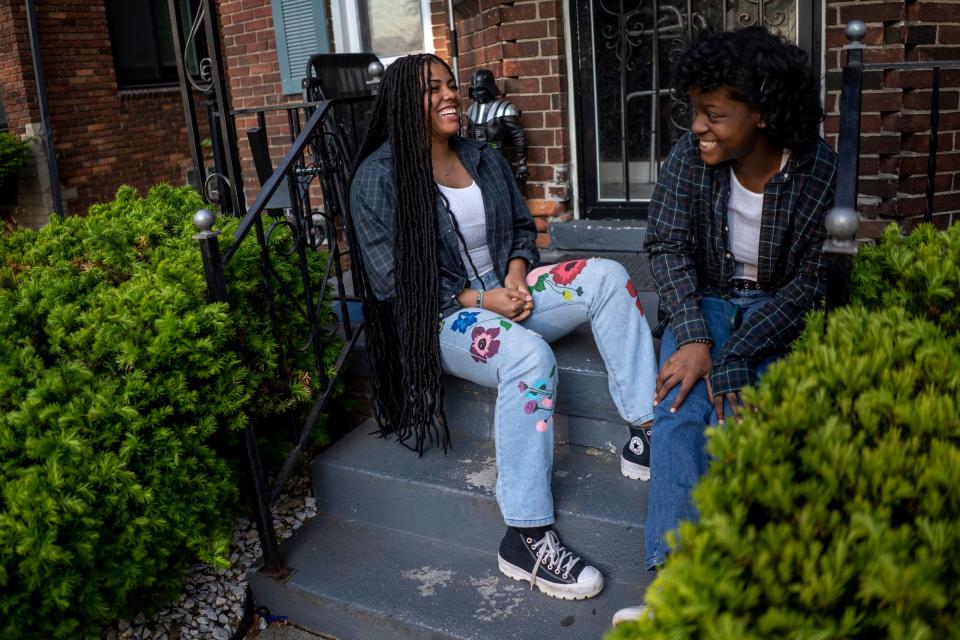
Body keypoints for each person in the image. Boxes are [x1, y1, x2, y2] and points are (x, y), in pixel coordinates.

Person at [348, 54, 657, 601]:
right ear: (401, 103)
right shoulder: (378, 177)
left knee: (608, 275)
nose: (449, 96)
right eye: (431, 90)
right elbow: (392, 282)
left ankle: (645, 430)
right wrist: (478, 298)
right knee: (529, 357)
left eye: (451, 85)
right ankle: (526, 533)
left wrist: (515, 278)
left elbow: (520, 227)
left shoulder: (481, 156)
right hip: (443, 315)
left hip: (504, 289)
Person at [613, 27, 836, 625]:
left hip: (774, 310)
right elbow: (666, 244)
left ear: (761, 111)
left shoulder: (818, 172)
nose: (697, 127)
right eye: (694, 111)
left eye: (714, 114)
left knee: (745, 414)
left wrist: (734, 352)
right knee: (680, 408)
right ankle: (678, 590)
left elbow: (812, 284)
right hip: (704, 298)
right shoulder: (692, 158)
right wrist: (692, 336)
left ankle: (742, 583)